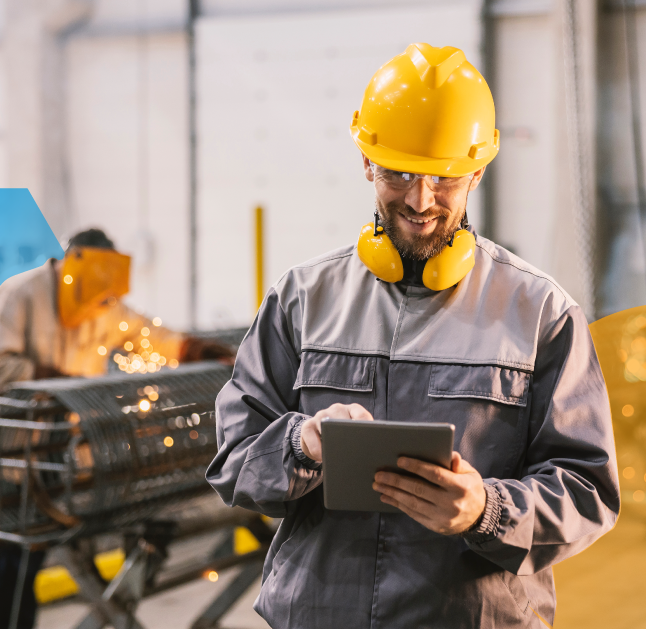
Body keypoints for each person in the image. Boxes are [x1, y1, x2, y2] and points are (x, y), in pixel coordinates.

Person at [207, 43, 620, 628]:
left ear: (477, 171)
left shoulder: (540, 313)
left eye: (444, 178)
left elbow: (587, 491)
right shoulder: (302, 300)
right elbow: (233, 459)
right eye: (400, 173)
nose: (421, 201)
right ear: (367, 163)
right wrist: (304, 445)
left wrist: (487, 510)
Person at [0, 228, 232, 629]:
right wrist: (59, 384)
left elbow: (150, 337)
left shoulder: (103, 304)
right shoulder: (20, 296)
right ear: (70, 267)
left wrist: (198, 351)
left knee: (24, 570)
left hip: (43, 460)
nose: (101, 304)